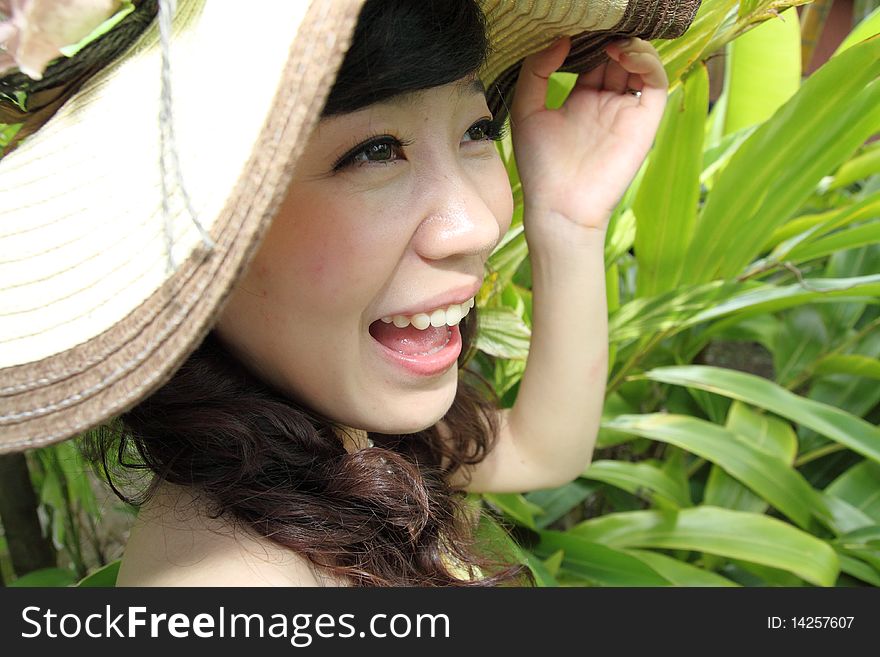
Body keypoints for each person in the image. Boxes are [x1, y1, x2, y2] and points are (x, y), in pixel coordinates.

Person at [0, 0, 697, 586]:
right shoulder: (225, 578)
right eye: (374, 151)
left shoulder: (323, 444)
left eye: (477, 128)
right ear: (200, 229)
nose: (477, 224)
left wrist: (569, 221)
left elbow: (545, 451)